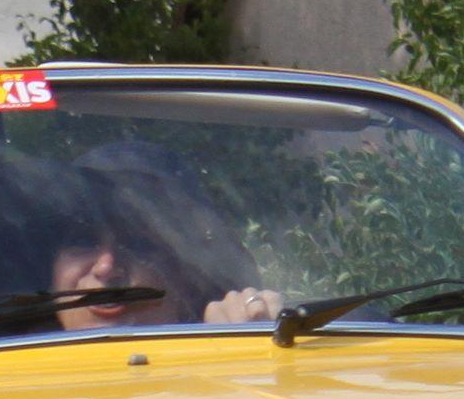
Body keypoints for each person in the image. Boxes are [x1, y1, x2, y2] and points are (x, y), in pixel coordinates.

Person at [42, 140, 284, 331]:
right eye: (83, 241)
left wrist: (251, 338)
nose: (106, 267)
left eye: (138, 244)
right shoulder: (6, 374)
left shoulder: (226, 365)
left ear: (187, 279)